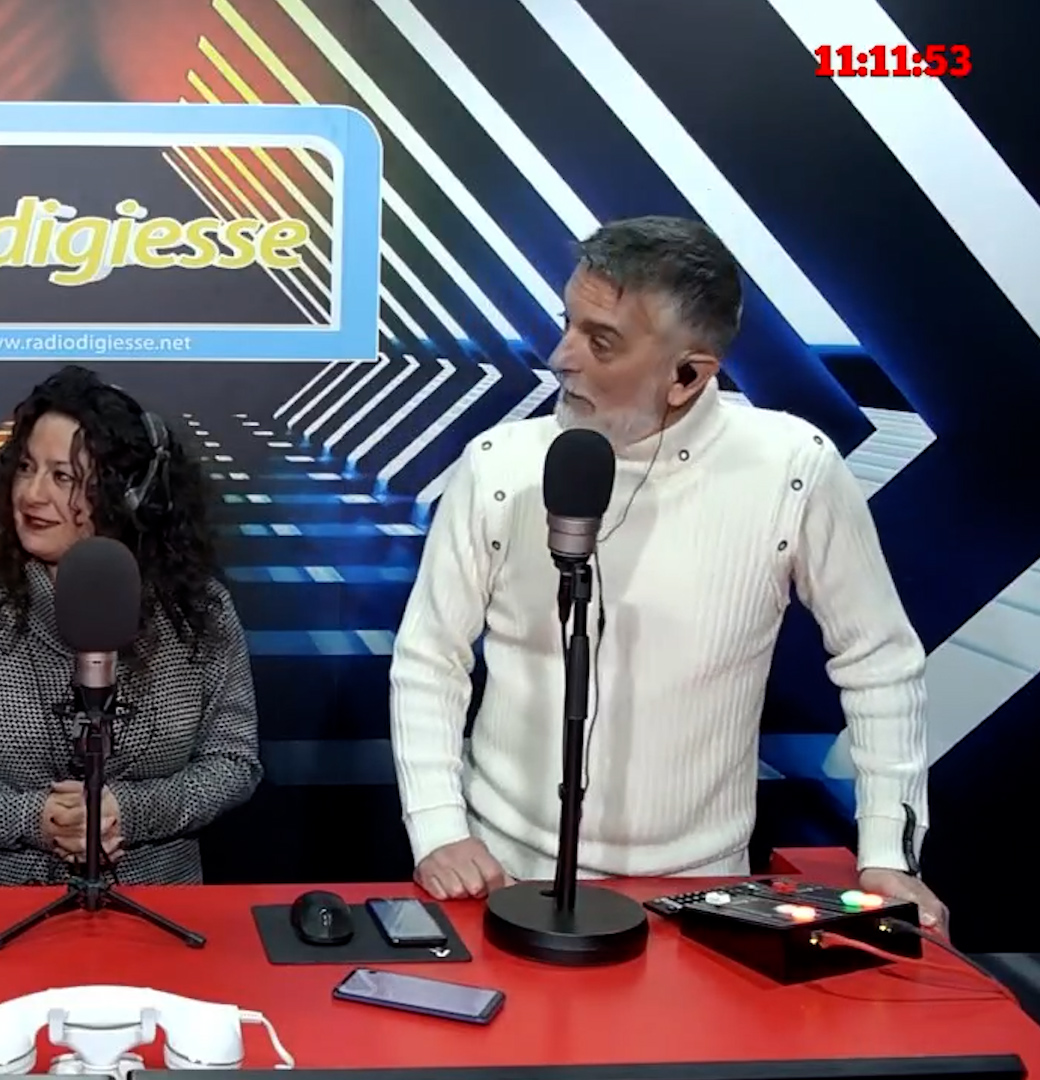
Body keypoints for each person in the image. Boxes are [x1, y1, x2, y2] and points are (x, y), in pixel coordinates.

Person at [389, 216, 947, 929]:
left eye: (601, 341)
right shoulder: (500, 465)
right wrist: (440, 827)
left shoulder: (793, 469)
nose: (560, 358)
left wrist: (889, 853)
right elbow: (430, 657)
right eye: (567, 324)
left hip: (705, 894)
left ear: (688, 375)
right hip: (503, 876)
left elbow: (880, 661)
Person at [0, 365, 262, 885]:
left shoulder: (201, 611)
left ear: (129, 495)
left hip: (157, 899)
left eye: (62, 477)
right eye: (26, 468)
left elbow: (233, 761)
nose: (31, 494)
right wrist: (33, 819)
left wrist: (128, 812)